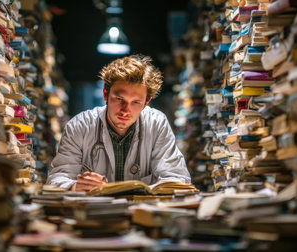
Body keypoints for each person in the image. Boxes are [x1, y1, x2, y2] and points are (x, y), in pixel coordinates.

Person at [47, 55, 191, 191]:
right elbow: (56, 178)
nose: (125, 110)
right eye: (119, 99)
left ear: (146, 102)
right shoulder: (79, 126)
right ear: (105, 94)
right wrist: (75, 186)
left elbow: (177, 178)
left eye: (135, 102)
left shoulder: (157, 124)